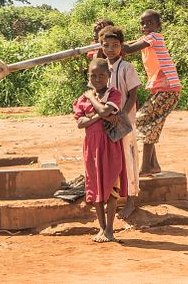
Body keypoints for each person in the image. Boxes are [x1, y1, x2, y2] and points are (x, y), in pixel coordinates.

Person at [122, 9, 182, 176]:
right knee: (150, 122)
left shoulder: (154, 37)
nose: (145, 26)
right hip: (161, 88)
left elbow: (127, 48)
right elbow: (129, 45)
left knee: (142, 120)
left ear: (158, 26)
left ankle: (147, 167)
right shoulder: (146, 38)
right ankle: (153, 165)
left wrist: (110, 40)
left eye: (150, 23)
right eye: (142, 23)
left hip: (167, 88)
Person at [73, 58, 127, 243]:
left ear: (109, 76)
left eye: (101, 75)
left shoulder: (114, 94)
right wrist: (101, 115)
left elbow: (105, 112)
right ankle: (102, 228)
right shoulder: (81, 99)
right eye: (93, 75)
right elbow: (81, 123)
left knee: (112, 184)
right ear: (88, 75)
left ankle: (110, 229)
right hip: (92, 147)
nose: (97, 79)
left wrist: (92, 100)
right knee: (95, 185)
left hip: (111, 146)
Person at [98, 25, 142, 219]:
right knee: (111, 160)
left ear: (121, 46)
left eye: (115, 45)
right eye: (106, 45)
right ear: (101, 46)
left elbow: (133, 95)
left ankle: (131, 200)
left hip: (124, 122)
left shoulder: (126, 67)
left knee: (129, 158)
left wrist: (122, 115)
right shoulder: (100, 68)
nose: (110, 49)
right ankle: (113, 198)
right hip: (106, 122)